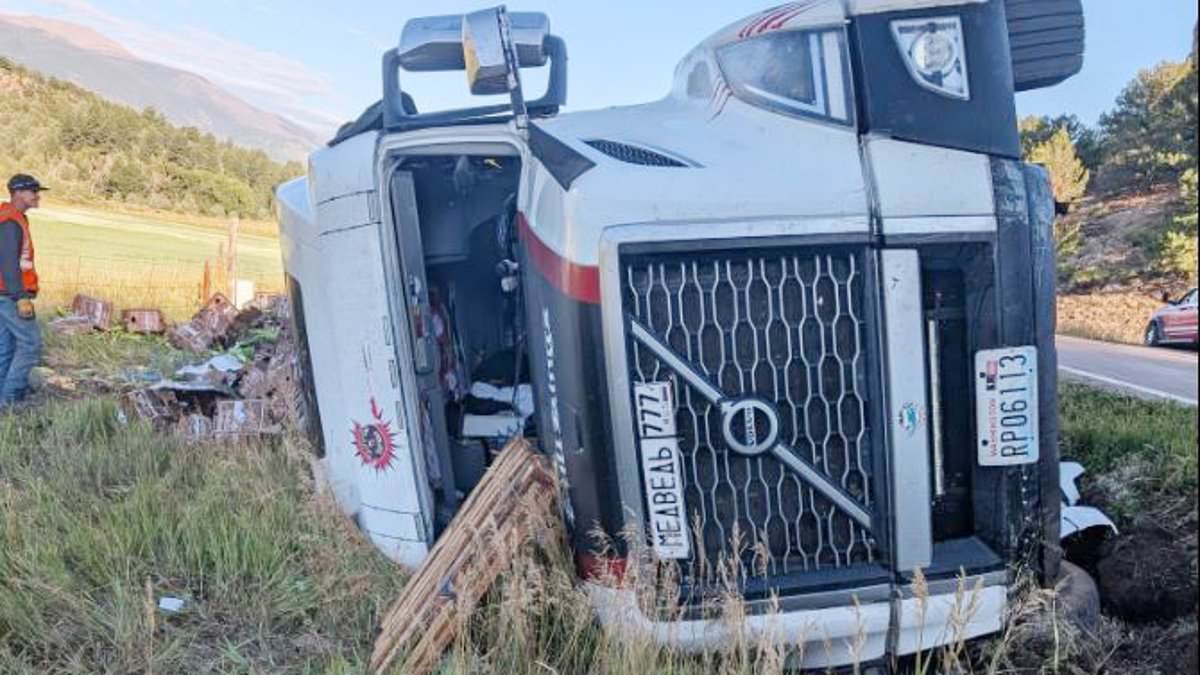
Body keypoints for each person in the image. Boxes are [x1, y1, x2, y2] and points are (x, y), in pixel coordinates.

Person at [0, 174, 45, 406]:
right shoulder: (10, 221)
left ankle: (3, 399)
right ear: (18, 193)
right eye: (33, 191)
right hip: (9, 296)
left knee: (6, 347)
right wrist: (21, 298)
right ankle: (10, 401)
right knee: (30, 344)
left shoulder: (12, 217)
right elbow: (8, 264)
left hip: (4, 295)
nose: (37, 196)